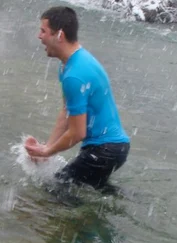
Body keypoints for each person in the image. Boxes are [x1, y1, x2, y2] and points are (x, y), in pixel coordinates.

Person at [25, 6, 130, 195]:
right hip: (113, 148)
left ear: (60, 35)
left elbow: (77, 132)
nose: (39, 36)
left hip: (104, 150)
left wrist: (46, 153)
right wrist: (48, 147)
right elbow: (66, 111)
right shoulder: (69, 65)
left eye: (43, 31)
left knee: (56, 190)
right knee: (89, 191)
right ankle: (122, 200)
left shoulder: (75, 75)